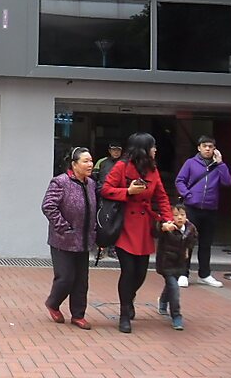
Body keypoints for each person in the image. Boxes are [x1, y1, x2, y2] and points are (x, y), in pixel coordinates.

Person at [101, 132, 175, 334]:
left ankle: (129, 297)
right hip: (125, 224)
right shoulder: (121, 167)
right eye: (153, 146)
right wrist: (127, 192)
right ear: (144, 148)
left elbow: (161, 197)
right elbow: (105, 190)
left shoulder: (153, 169)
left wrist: (168, 219)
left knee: (141, 273)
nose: (156, 150)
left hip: (144, 226)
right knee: (128, 271)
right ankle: (125, 313)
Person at [41, 146, 97, 330]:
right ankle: (53, 303)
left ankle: (78, 315)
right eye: (85, 161)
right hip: (63, 240)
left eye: (91, 161)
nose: (90, 164)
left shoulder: (91, 184)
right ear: (74, 164)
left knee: (82, 280)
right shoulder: (60, 182)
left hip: (84, 240)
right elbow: (48, 206)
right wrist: (63, 227)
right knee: (65, 277)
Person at [175, 135, 231, 288]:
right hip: (192, 208)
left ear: (215, 149)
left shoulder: (218, 165)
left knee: (206, 244)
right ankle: (183, 273)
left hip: (210, 209)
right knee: (187, 241)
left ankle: (205, 274)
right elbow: (179, 180)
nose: (208, 149)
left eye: (211, 146)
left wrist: (221, 164)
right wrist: (188, 195)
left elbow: (228, 182)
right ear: (199, 147)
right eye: (205, 146)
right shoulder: (190, 163)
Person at [156, 203, 198, 330]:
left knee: (171, 285)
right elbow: (157, 229)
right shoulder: (168, 228)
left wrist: (188, 250)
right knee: (174, 287)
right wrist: (163, 227)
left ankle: (162, 302)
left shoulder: (190, 229)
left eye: (182, 215)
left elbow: (194, 240)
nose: (179, 218)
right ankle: (176, 316)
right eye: (176, 215)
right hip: (166, 264)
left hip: (180, 264)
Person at [92, 141, 123, 259]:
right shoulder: (102, 162)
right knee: (101, 222)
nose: (116, 152)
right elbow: (93, 177)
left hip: (119, 196)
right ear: (109, 150)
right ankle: (100, 249)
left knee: (116, 223)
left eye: (118, 150)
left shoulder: (124, 163)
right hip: (103, 196)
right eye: (113, 149)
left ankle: (113, 249)